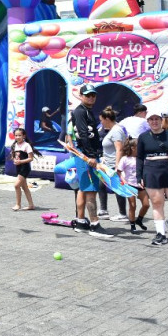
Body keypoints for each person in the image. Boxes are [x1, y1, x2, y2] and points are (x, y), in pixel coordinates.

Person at [136, 106, 168, 245]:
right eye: (151, 119)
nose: (154, 122)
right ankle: (160, 234)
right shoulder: (143, 137)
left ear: (161, 120)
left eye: (157, 119)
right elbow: (139, 158)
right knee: (157, 203)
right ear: (147, 121)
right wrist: (138, 176)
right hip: (151, 172)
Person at [67, 83, 107, 235]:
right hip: (86, 155)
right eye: (88, 95)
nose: (91, 98)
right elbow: (83, 134)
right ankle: (95, 225)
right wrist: (90, 156)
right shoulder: (80, 112)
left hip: (87, 154)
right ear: (81, 96)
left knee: (83, 190)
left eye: (93, 95)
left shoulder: (87, 111)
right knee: (91, 190)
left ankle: (81, 221)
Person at [97, 106, 128, 221]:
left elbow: (119, 149)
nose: (101, 123)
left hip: (113, 165)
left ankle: (122, 213)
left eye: (101, 120)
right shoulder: (112, 130)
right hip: (106, 163)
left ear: (107, 119)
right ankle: (103, 210)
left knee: (117, 187)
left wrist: (117, 166)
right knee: (101, 185)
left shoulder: (116, 130)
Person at [117, 138, 148, 234]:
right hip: (130, 185)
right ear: (133, 148)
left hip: (140, 185)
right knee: (132, 205)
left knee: (146, 205)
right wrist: (123, 180)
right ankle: (132, 225)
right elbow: (118, 171)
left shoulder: (142, 158)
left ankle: (139, 219)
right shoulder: (125, 159)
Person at [10, 128, 36, 210]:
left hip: (24, 168)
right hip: (18, 167)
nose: (17, 137)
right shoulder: (15, 145)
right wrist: (14, 159)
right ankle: (31, 205)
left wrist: (21, 161)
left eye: (19, 135)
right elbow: (13, 156)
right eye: (16, 135)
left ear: (24, 136)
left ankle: (18, 204)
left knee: (16, 185)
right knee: (24, 187)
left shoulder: (26, 145)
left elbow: (31, 158)